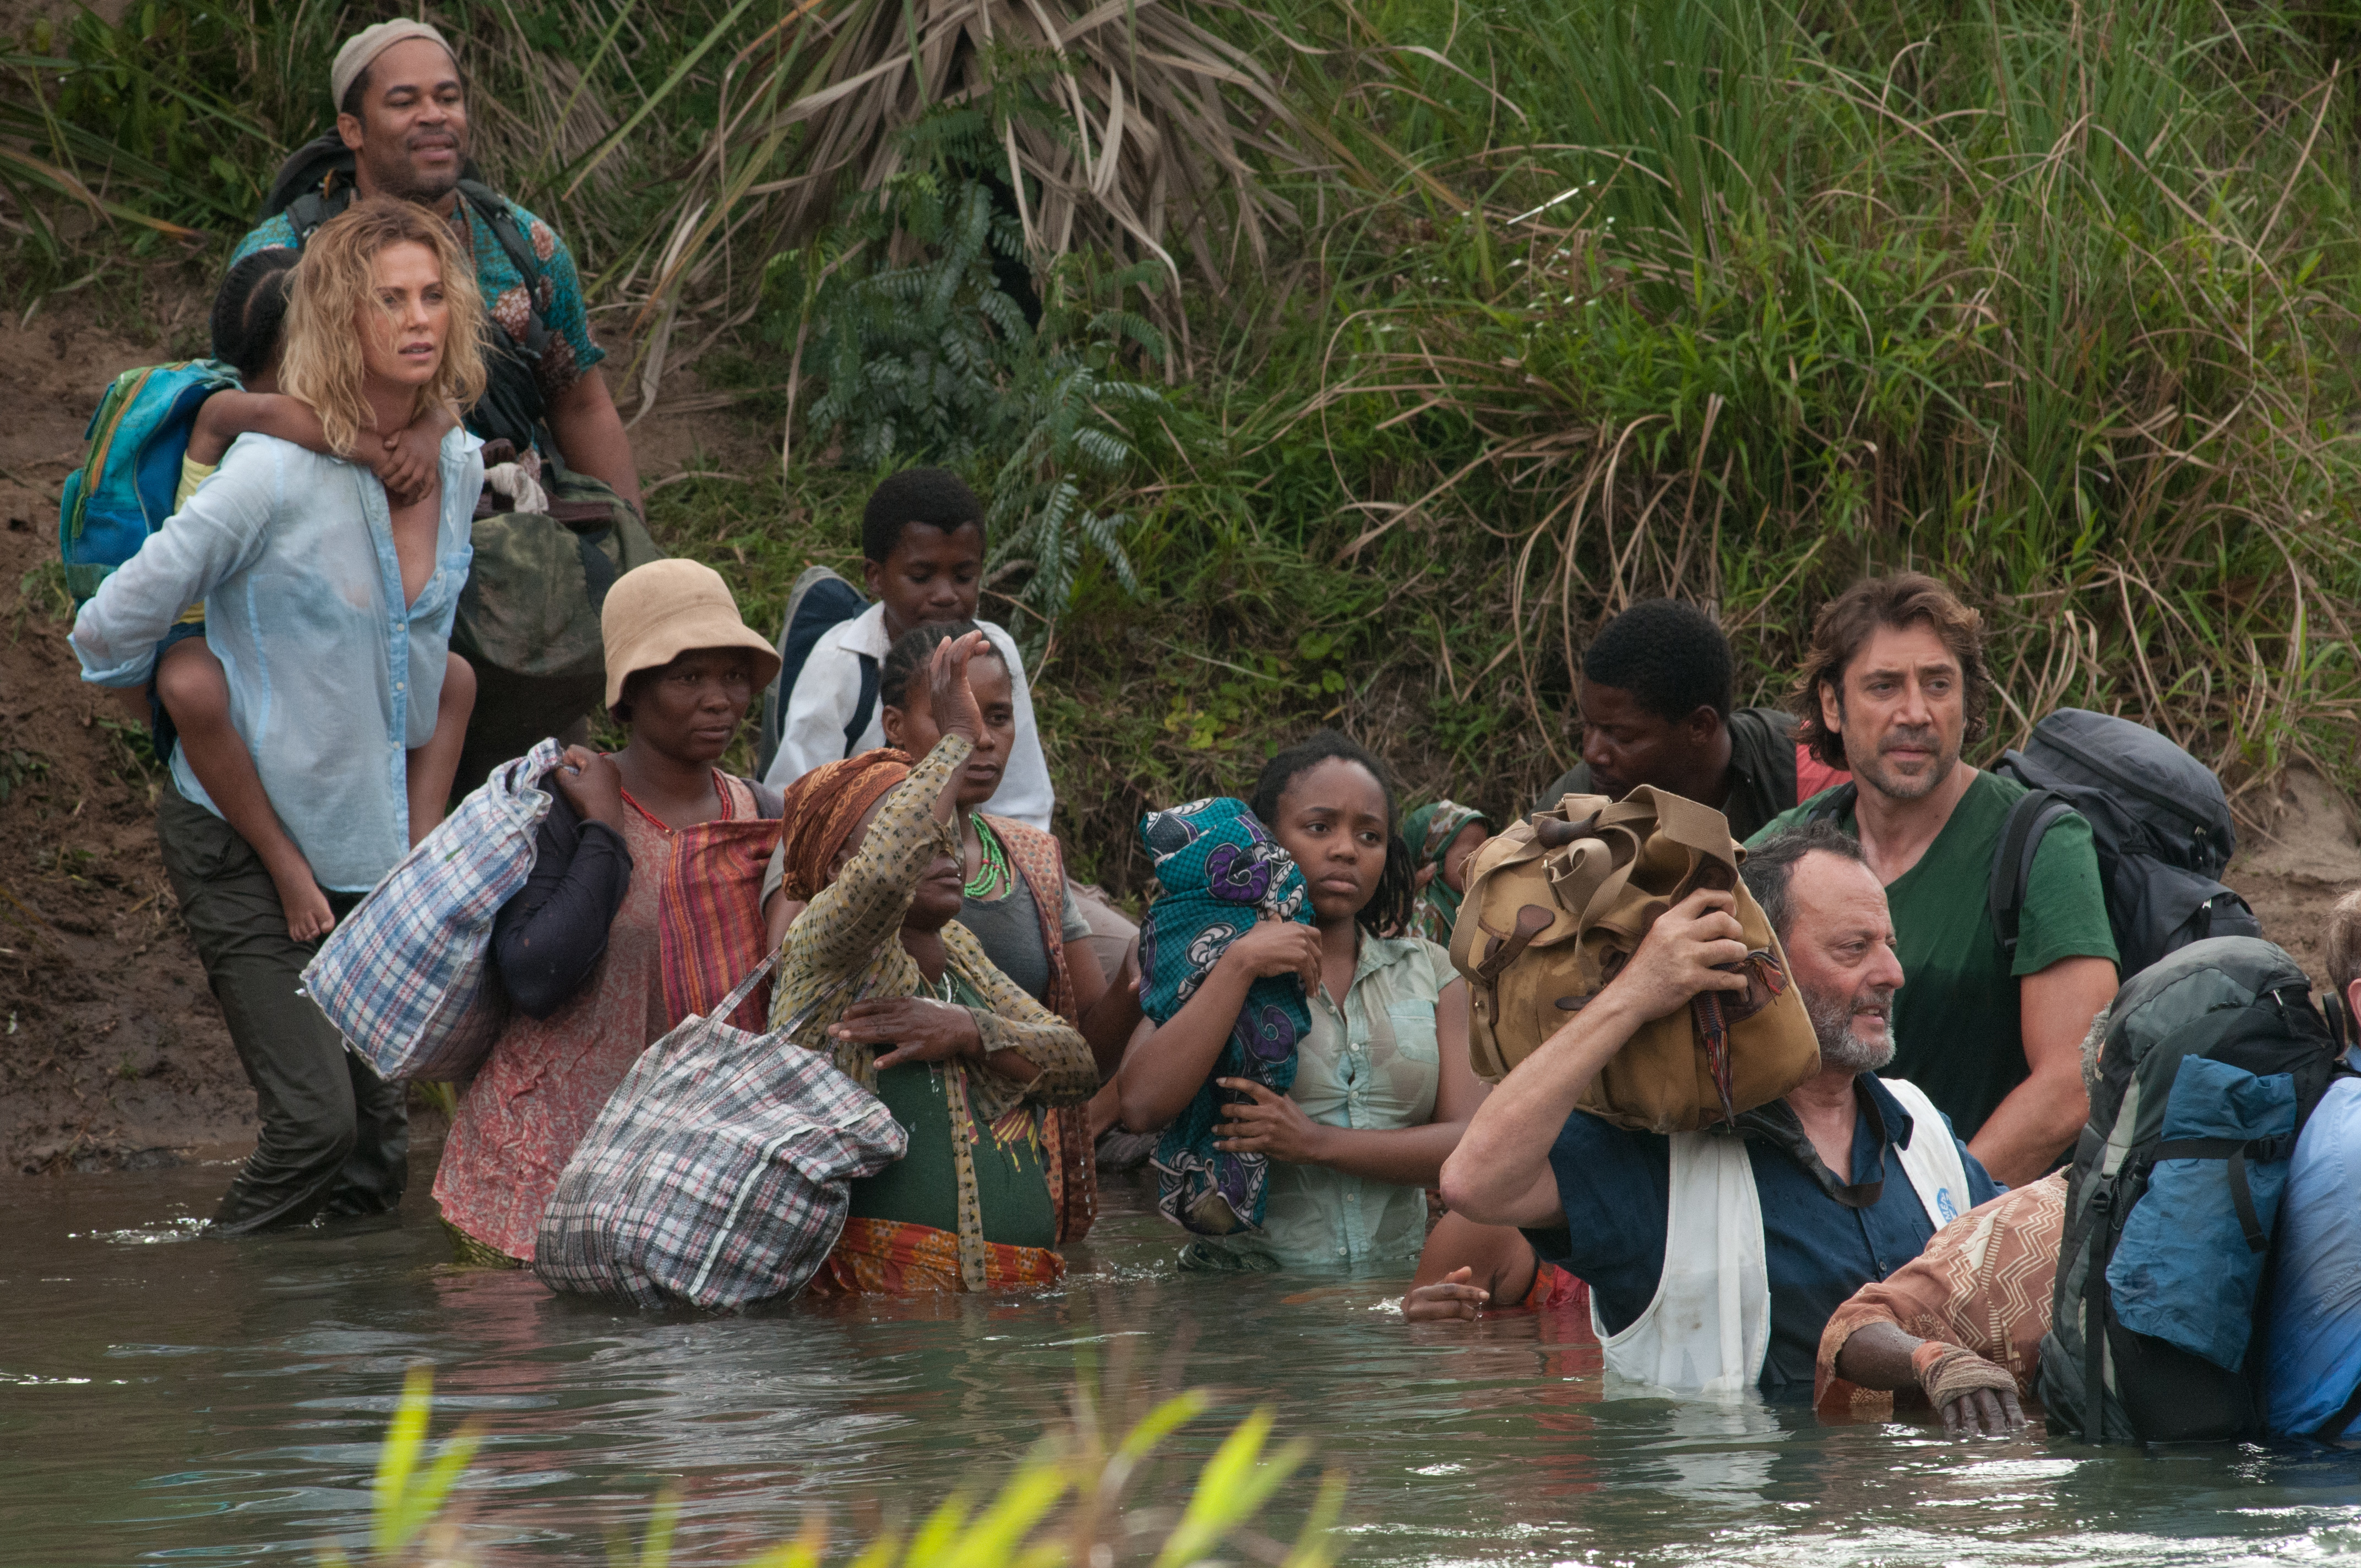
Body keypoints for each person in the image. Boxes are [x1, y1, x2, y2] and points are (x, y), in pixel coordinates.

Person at [69, 198, 487, 1233]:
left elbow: (429, 669)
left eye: (432, 295)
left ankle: (334, 1383)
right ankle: (228, 1313)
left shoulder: (460, 463)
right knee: (315, 1130)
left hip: (366, 847)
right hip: (240, 839)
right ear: (338, 316)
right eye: (387, 298)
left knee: (378, 1153)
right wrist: (179, 687)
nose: (416, 318)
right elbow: (106, 626)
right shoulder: (273, 474)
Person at [1440, 823, 1999, 1395]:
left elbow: (2023, 1268)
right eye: (1854, 948)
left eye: (1889, 945)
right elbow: (1472, 1183)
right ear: (1761, 964)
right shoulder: (1661, 1153)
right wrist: (1633, 993)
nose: (1892, 974)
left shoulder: (1920, 1123)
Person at [434, 559, 785, 1265]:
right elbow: (534, 973)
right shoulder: (564, 803)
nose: (719, 699)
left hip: (683, 1181)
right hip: (536, 1182)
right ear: (627, 695)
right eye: (688, 678)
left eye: (732, 676)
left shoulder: (762, 815)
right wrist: (604, 832)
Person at [119, 249, 461, 942]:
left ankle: (416, 859)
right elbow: (325, 432)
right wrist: (385, 445)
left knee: (455, 679)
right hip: (196, 618)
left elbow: (450, 399)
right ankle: (284, 864)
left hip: (285, 625)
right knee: (193, 688)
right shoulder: (240, 412)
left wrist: (428, 427)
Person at [1749, 573, 2119, 1185]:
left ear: (1967, 701)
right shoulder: (1782, 850)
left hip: (1975, 1236)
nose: (1915, 713)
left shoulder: (2041, 844)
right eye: (1883, 686)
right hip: (1811, 1226)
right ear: (1832, 705)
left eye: (1939, 684)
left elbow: (2073, 1079)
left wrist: (1934, 1221)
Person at [765, 631, 1098, 1293]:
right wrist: (953, 740)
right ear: (837, 868)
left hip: (1009, 1316)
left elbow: (1075, 1065)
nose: (941, 844)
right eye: (912, 825)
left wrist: (968, 1031)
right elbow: (886, 874)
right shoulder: (824, 950)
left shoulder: (962, 958)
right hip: (872, 1326)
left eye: (944, 830)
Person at [1117, 731, 1486, 1271]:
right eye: (1319, 827)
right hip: (1242, 1301)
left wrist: (1316, 1142)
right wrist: (1240, 964)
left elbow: (1472, 1143)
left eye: (1369, 836)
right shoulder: (1213, 953)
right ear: (1268, 838)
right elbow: (1140, 1105)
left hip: (1398, 1296)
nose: (1344, 848)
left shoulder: (1432, 970)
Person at [230, 20, 636, 510]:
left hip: (519, 531)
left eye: (448, 98)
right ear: (352, 129)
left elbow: (582, 405)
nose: (434, 116)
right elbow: (244, 410)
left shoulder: (527, 245)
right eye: (404, 103)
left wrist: (633, 553)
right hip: (341, 526)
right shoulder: (286, 257)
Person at [761, 469, 1052, 830]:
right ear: (875, 576)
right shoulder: (841, 664)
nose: (946, 595)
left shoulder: (993, 652)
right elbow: (797, 804)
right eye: (921, 577)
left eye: (963, 577)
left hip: (971, 870)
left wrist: (1013, 878)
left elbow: (1023, 803)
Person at [1535, 598, 1849, 838]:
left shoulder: (1810, 768)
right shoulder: (1585, 792)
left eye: (1622, 736)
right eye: (1589, 725)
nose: (1592, 752)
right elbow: (1503, 870)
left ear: (1700, 727)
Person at [1403, 800, 1488, 946]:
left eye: (1485, 854)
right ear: (1435, 863)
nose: (1482, 864)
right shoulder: (1424, 916)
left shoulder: (1478, 900)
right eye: (1468, 857)